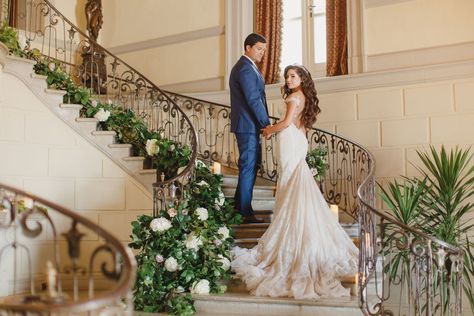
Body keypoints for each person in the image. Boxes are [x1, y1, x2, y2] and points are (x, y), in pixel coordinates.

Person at [231, 65, 359, 299]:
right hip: (297, 141)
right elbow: (302, 126)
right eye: (287, 76)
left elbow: (287, 122)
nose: (288, 79)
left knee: (290, 181)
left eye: (293, 76)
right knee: (292, 182)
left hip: (290, 140)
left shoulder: (293, 97)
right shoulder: (305, 97)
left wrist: (269, 130)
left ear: (302, 78)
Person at [229, 33, 271, 224]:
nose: (262, 53)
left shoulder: (250, 68)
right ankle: (245, 213)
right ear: (248, 47)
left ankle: (238, 207)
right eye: (259, 49)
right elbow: (253, 99)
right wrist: (266, 123)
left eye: (264, 49)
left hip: (249, 125)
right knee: (248, 167)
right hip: (248, 126)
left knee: (252, 166)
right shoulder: (245, 68)